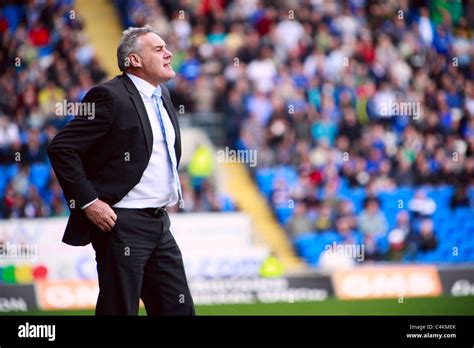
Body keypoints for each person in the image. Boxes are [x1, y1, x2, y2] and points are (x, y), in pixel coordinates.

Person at [47, 25, 195, 316]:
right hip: (121, 224)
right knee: (119, 309)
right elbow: (62, 148)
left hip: (159, 224)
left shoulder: (162, 95)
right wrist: (89, 202)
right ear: (135, 61)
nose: (169, 54)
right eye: (158, 49)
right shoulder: (109, 96)